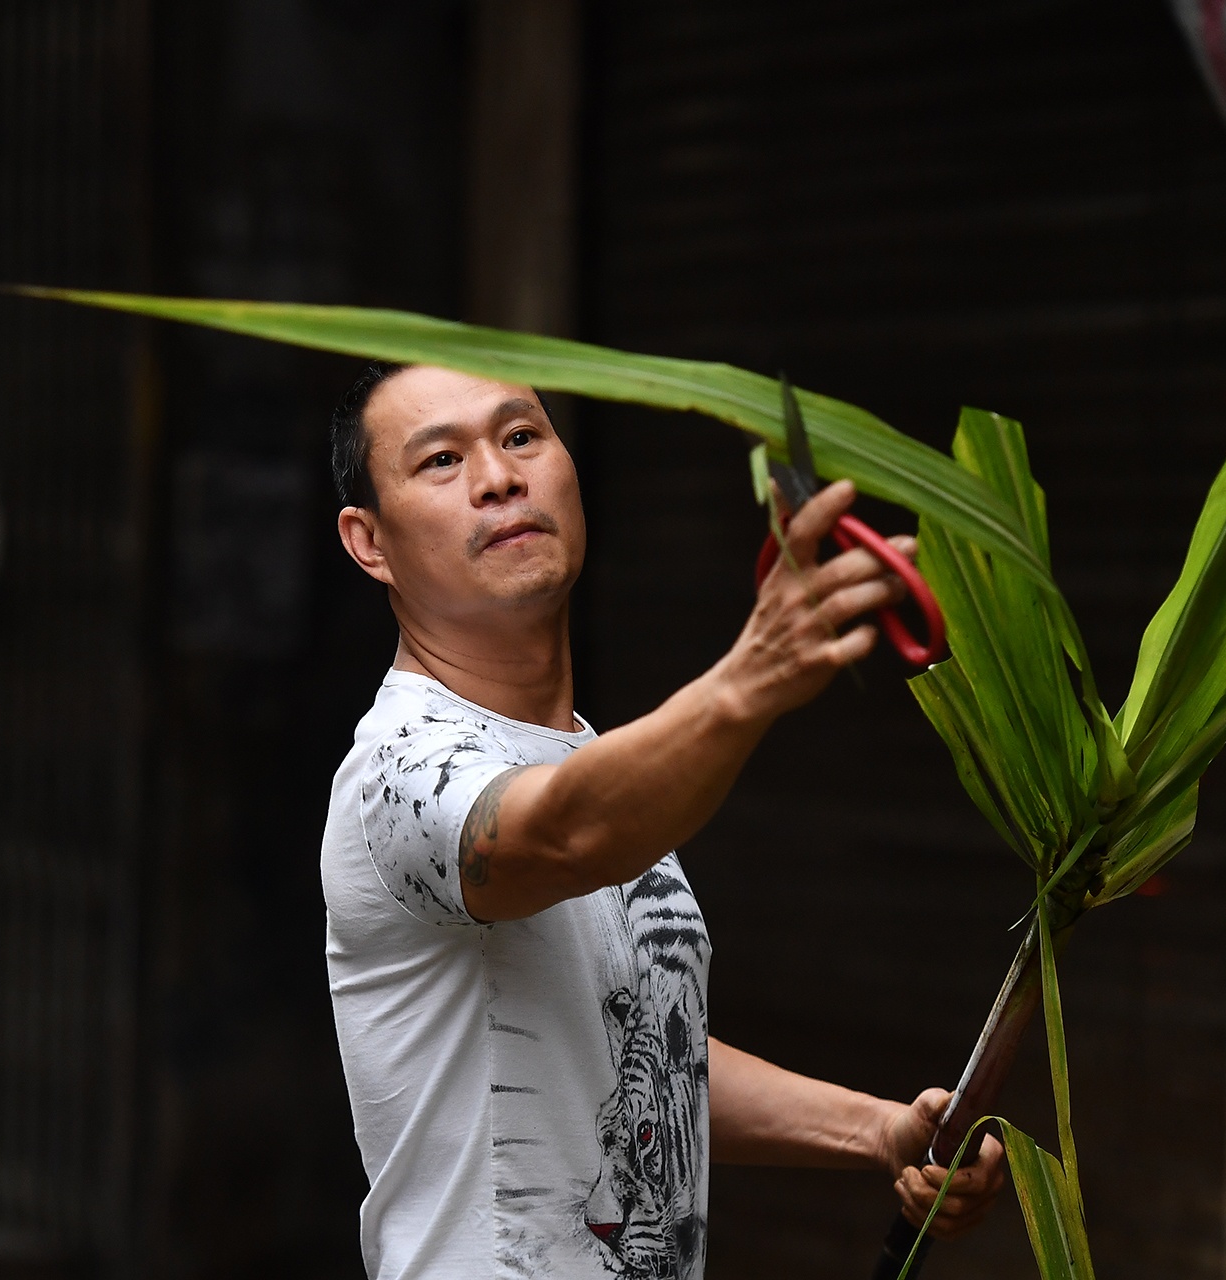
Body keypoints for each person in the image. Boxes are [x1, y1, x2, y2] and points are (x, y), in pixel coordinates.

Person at [319, 363, 1007, 1280]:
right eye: (442, 461)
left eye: (522, 436)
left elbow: (642, 1062)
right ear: (370, 543)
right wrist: (749, 679)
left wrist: (878, 1132)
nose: (498, 476)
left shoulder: (580, 752)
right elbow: (564, 834)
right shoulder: (398, 772)